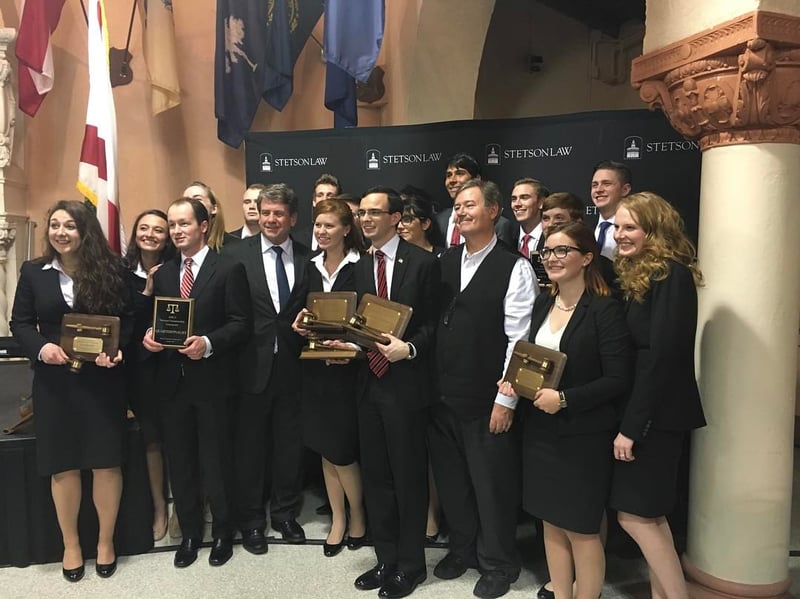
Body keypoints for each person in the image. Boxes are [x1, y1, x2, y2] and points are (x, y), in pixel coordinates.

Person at [499, 221, 632, 599]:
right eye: (547, 251)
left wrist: (566, 399)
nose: (552, 258)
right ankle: (560, 592)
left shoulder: (604, 310)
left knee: (582, 529)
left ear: (587, 257)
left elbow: (618, 378)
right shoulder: (543, 302)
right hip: (540, 432)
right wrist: (515, 382)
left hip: (582, 437)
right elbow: (533, 361)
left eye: (562, 251)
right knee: (550, 522)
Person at [10, 200, 134, 582]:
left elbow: (127, 321)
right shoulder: (34, 272)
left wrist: (116, 353)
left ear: (85, 232)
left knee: (104, 461)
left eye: (70, 226)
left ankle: (105, 543)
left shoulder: (112, 270)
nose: (61, 232)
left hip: (101, 383)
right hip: (54, 384)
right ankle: (71, 545)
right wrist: (42, 348)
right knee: (63, 464)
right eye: (55, 225)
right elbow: (21, 323)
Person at [431, 180, 536, 599]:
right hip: (441, 397)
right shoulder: (444, 260)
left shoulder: (516, 267)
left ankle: (498, 562)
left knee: (492, 486)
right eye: (457, 206)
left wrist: (506, 399)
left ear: (494, 211)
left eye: (470, 204)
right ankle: (463, 549)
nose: (460, 211)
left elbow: (519, 340)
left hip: (486, 399)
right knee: (454, 483)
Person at [142, 198, 251, 568]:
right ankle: (190, 533)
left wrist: (208, 344)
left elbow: (240, 323)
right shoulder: (166, 272)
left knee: (216, 461)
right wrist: (150, 336)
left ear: (203, 226)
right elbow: (159, 318)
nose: (176, 230)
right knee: (181, 462)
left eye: (184, 223)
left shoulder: (229, 267)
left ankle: (223, 531)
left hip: (214, 382)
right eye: (172, 224)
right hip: (172, 383)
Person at [609, 192, 705, 599]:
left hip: (658, 416)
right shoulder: (640, 273)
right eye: (616, 227)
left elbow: (663, 358)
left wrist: (632, 427)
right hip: (646, 411)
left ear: (655, 229)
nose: (619, 235)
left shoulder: (671, 274)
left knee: (636, 517)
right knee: (648, 516)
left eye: (629, 227)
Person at [347, 186, 440, 598]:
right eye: (362, 213)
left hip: (406, 386)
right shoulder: (360, 267)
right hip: (370, 383)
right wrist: (347, 343)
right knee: (377, 477)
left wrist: (412, 348)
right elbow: (361, 325)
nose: (365, 219)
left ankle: (410, 564)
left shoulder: (422, 263)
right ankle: (384, 560)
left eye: (374, 212)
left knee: (407, 478)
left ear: (396, 217)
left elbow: (437, 325)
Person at [225, 183, 311, 551]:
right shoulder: (234, 255)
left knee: (289, 447)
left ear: (292, 218)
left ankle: (286, 514)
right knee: (250, 449)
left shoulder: (310, 258)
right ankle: (252, 522)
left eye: (279, 213)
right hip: (248, 368)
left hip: (295, 367)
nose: (271, 219)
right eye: (266, 212)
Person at [291, 199, 368, 557]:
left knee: (343, 450)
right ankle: (338, 517)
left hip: (348, 371)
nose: (321, 232)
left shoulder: (361, 266)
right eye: (317, 225)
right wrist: (298, 322)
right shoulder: (309, 266)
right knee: (324, 446)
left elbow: (370, 321)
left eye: (329, 226)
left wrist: (351, 342)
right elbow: (299, 312)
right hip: (315, 369)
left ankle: (358, 516)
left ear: (346, 229)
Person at [123, 209, 176, 542]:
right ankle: (159, 507)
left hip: (174, 364)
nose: (151, 234)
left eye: (159, 229)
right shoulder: (120, 272)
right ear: (135, 233)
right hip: (140, 368)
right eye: (144, 228)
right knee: (152, 440)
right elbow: (126, 326)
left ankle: (183, 507)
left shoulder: (179, 268)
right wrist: (148, 289)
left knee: (180, 438)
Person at [435, 153, 515, 248]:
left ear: (477, 179)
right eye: (449, 175)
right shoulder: (438, 221)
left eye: (460, 173)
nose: (452, 180)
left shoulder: (499, 224)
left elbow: (504, 259)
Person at [589, 161, 631, 260]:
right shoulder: (583, 227)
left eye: (606, 184)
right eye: (594, 185)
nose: (598, 189)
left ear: (625, 189)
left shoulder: (638, 229)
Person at [183, 180, 239, 250]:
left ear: (214, 208)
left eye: (198, 199)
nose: (190, 205)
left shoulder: (235, 246)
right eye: (186, 201)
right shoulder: (178, 247)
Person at [292, 173, 343, 248]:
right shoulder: (296, 240)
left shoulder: (345, 238)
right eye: (320, 195)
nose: (324, 199)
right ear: (314, 201)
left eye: (330, 195)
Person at [398, 186, 445, 256]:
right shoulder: (394, 258)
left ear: (425, 224)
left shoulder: (444, 257)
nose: (399, 226)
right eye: (397, 221)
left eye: (407, 220)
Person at [510, 177, 550, 258]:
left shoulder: (552, 237)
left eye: (524, 197)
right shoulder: (507, 238)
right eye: (514, 199)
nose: (517, 204)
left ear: (541, 202)